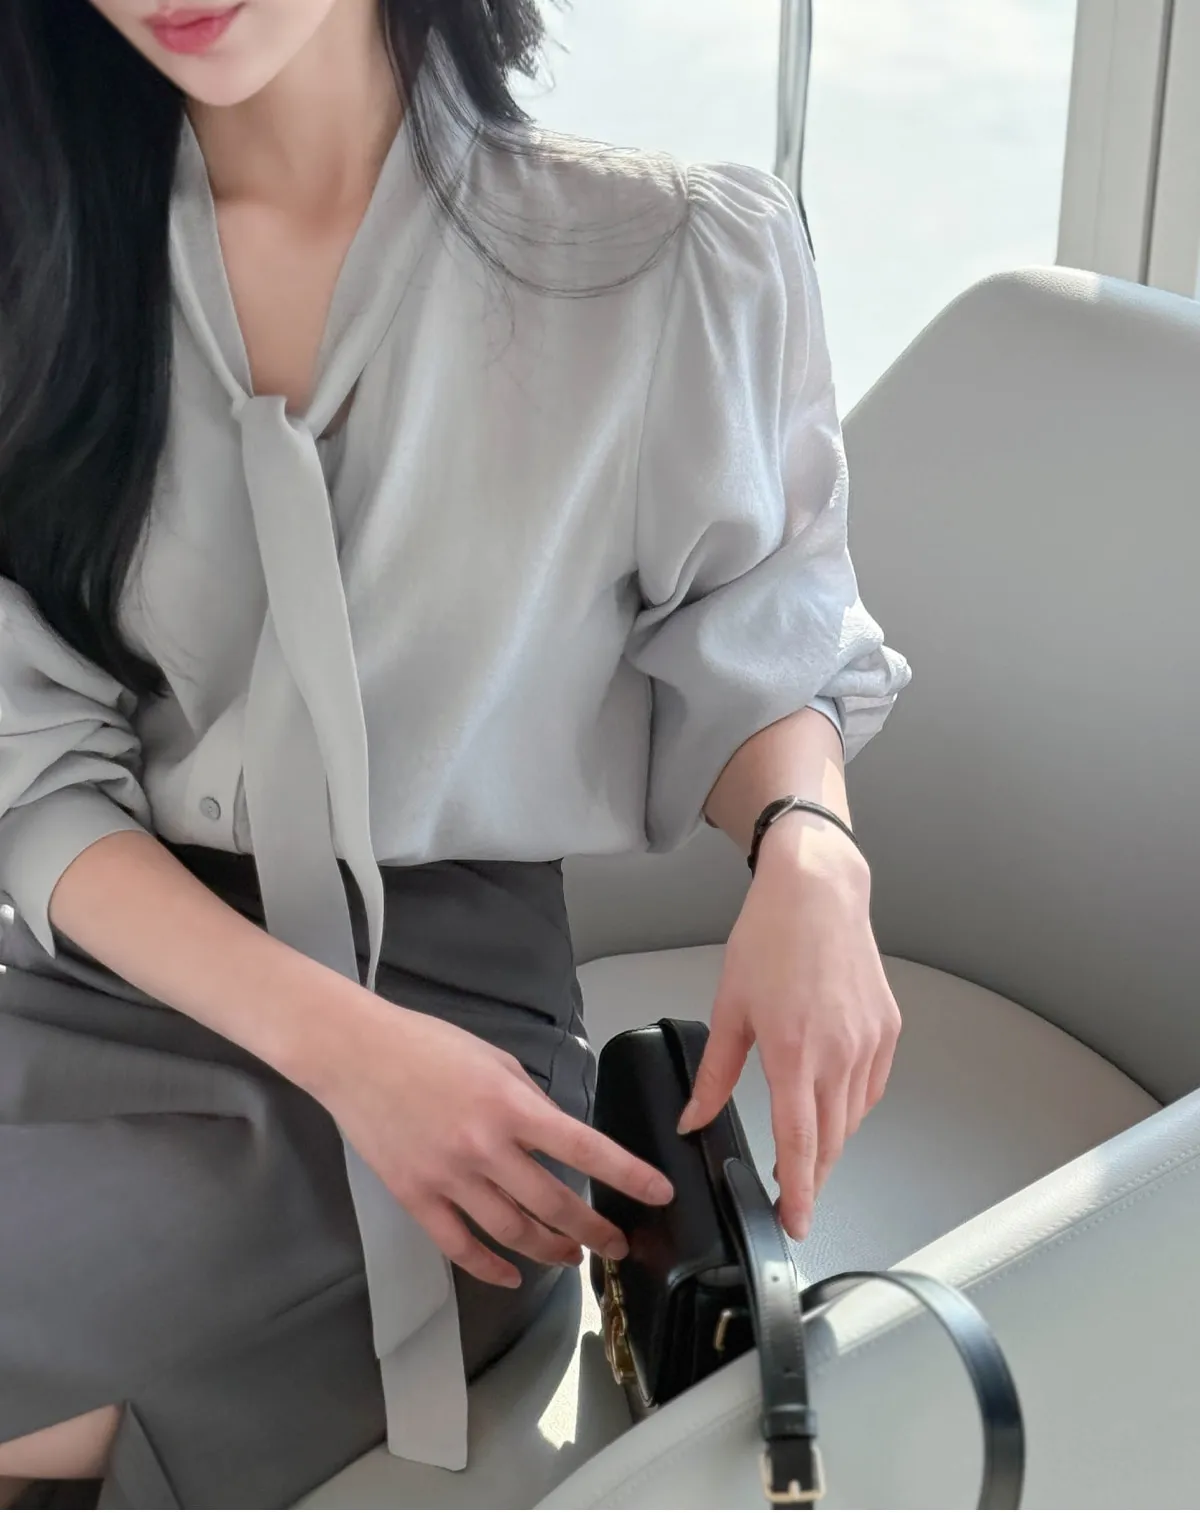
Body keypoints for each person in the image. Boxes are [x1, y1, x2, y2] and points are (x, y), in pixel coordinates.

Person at [0, 0, 911, 1506]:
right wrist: (343, 1051)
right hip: (114, 961)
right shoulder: (43, 265)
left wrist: (810, 855)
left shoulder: (660, 260)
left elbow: (757, 629)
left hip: (457, 1045)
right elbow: (27, 767)